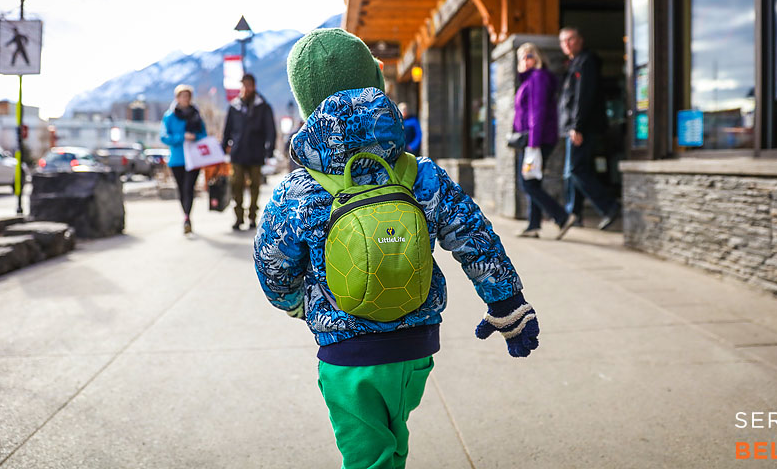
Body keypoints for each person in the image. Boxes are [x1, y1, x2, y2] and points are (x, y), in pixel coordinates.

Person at [254, 28, 540, 469]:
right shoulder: (421, 175)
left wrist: (296, 304)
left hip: (345, 352)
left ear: (306, 105)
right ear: (377, 85)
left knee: (368, 458)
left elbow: (272, 265)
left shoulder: (298, 190)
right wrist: (508, 304)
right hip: (416, 345)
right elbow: (475, 239)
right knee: (393, 437)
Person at [558, 27, 620, 230]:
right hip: (573, 128)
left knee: (576, 169)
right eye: (563, 41)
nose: (567, 44)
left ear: (580, 40)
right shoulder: (574, 63)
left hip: (581, 127)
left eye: (570, 39)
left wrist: (577, 126)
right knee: (572, 171)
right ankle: (574, 214)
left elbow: (584, 96)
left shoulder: (586, 62)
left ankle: (609, 207)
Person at [513, 43, 577, 240]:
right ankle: (533, 225)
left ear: (538, 57)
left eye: (530, 55)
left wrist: (533, 142)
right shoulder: (530, 79)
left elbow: (537, 111)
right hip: (533, 139)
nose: (526, 60)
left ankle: (562, 217)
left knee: (528, 183)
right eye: (522, 57)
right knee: (534, 181)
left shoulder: (538, 77)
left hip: (536, 140)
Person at [222, 73, 276, 230]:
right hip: (238, 153)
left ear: (254, 86)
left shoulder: (264, 106)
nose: (246, 88)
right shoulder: (234, 106)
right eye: (244, 85)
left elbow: (270, 131)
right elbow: (227, 130)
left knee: (255, 187)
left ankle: (252, 217)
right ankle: (238, 217)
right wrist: (223, 148)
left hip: (256, 152)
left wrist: (269, 151)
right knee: (236, 185)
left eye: (249, 85)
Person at [160, 84, 207, 234]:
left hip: (194, 159)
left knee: (189, 188)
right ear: (177, 98)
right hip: (177, 159)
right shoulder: (169, 116)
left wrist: (195, 137)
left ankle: (187, 217)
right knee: (181, 189)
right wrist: (182, 137)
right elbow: (164, 137)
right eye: (182, 96)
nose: (185, 99)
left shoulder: (196, 115)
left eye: (187, 96)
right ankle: (186, 215)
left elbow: (204, 135)